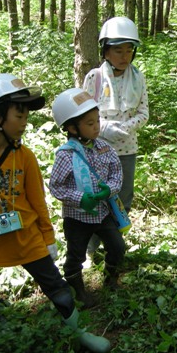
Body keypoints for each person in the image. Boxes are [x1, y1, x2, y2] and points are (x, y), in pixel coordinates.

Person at [0, 73, 110, 353]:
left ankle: (80, 333)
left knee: (57, 288)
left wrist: (47, 236)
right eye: (19, 115)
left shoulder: (25, 156)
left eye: (26, 115)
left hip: (27, 238)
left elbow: (37, 201)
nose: (25, 122)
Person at [49, 88, 126, 308]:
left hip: (103, 213)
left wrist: (108, 190)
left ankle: (111, 279)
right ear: (72, 128)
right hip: (77, 219)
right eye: (90, 124)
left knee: (117, 247)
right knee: (76, 255)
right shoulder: (66, 155)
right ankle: (78, 290)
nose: (96, 127)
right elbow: (56, 185)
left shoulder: (104, 148)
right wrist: (79, 198)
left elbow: (116, 173)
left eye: (97, 121)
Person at [82, 16, 149, 259]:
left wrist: (126, 127)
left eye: (129, 50)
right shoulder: (94, 78)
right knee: (98, 197)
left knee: (122, 198)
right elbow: (84, 113)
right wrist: (105, 127)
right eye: (118, 50)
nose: (124, 55)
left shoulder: (138, 77)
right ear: (106, 51)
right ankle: (90, 249)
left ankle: (115, 247)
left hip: (127, 149)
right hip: (97, 149)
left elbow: (144, 112)